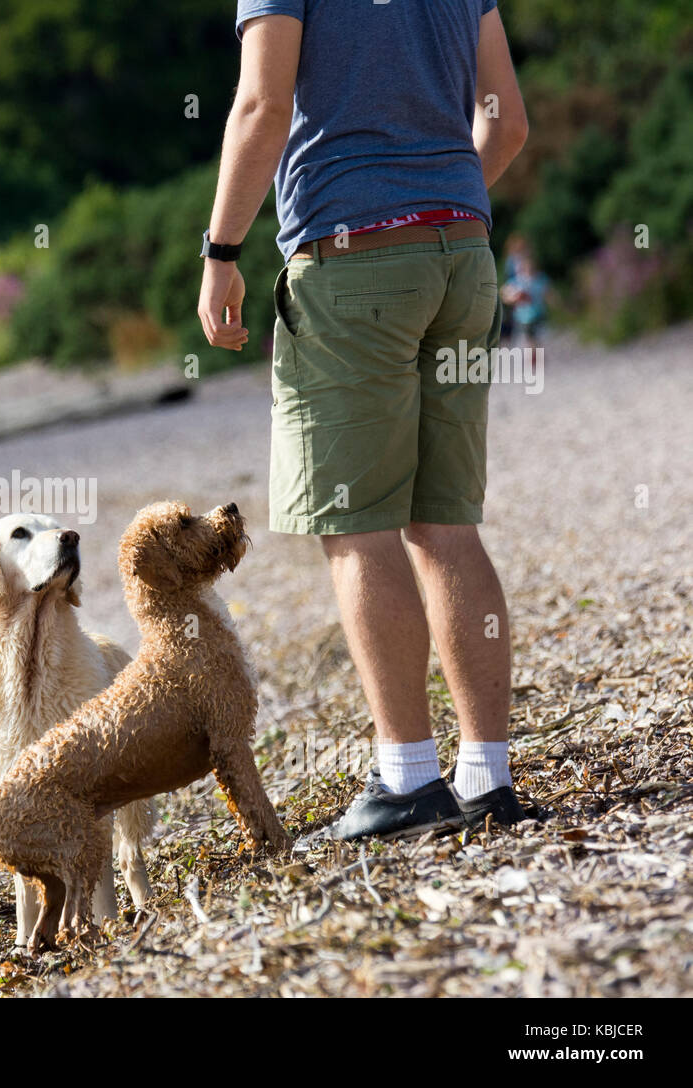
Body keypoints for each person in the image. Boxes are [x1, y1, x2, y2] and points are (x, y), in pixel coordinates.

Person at [197, 1, 531, 840]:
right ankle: (487, 776)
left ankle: (409, 777)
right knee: (446, 523)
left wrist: (221, 253)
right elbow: (509, 121)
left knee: (358, 525)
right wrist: (434, 203)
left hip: (351, 264)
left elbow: (262, 107)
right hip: (464, 253)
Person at [501, 248, 549, 359]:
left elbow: (549, 293)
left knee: (534, 337)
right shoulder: (518, 281)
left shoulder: (540, 279)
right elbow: (504, 293)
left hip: (537, 313)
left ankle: (535, 358)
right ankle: (533, 358)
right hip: (522, 316)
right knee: (528, 337)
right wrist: (514, 299)